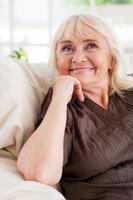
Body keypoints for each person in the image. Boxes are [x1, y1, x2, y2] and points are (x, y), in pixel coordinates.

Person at [17, 14, 133, 200]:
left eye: (91, 45)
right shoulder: (63, 107)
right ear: (56, 60)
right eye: (67, 48)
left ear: (110, 59)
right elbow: (39, 172)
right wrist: (60, 95)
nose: (78, 58)